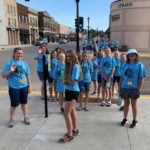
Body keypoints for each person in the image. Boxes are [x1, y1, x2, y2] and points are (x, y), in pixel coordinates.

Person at [1, 47, 32, 128]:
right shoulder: (10, 63)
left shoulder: (24, 63)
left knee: (24, 103)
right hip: (14, 87)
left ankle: (26, 117)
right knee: (14, 104)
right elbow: (3, 75)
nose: (20, 54)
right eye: (18, 53)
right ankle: (11, 119)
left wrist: (30, 86)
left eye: (21, 53)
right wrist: (10, 71)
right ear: (14, 54)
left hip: (24, 86)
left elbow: (27, 75)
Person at [119, 49, 146, 128]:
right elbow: (121, 78)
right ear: (128, 56)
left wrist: (139, 89)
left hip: (134, 88)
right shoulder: (124, 65)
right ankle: (125, 118)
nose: (132, 55)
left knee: (134, 105)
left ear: (136, 55)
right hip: (125, 87)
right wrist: (120, 88)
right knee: (126, 104)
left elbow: (141, 78)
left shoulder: (140, 65)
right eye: (130, 54)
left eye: (133, 54)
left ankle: (134, 120)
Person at [58, 50, 80, 143]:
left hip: (73, 91)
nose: (67, 58)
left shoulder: (75, 66)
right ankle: (74, 129)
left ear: (74, 57)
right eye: (66, 57)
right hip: (69, 90)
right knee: (71, 111)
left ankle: (70, 135)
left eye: (70, 57)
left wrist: (65, 81)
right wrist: (65, 80)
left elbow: (73, 82)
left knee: (66, 113)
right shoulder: (68, 66)